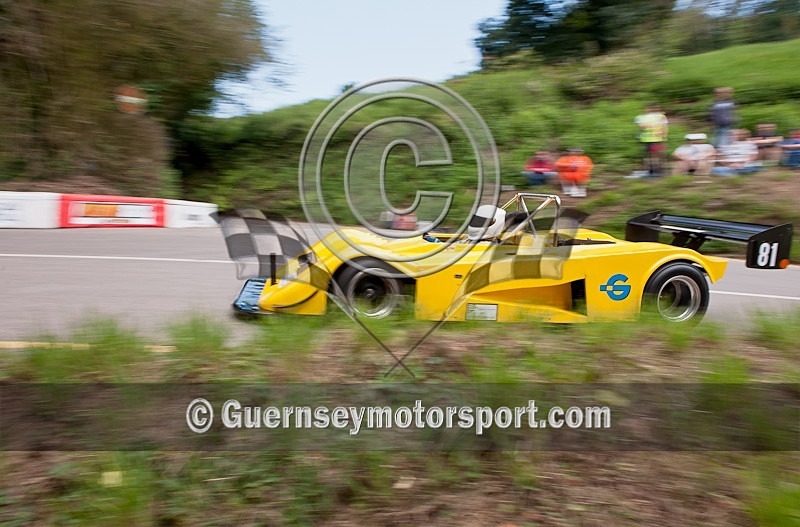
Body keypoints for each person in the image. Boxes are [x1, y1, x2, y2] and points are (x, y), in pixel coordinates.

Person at [634, 103, 669, 177]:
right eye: (650, 108)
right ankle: (650, 169)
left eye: (654, 108)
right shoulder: (640, 117)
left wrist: (664, 136)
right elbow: (642, 127)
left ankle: (659, 168)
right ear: (646, 108)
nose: (652, 109)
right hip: (647, 139)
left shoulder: (661, 116)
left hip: (659, 138)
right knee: (650, 155)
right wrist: (654, 124)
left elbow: (665, 127)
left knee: (659, 154)